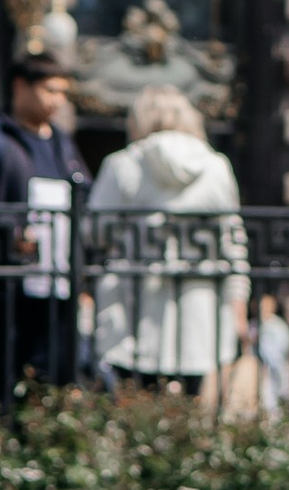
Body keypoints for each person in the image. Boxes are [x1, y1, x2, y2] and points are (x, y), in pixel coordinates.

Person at [86, 83, 247, 396]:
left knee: (134, 406)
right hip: (199, 316)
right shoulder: (216, 167)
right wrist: (237, 304)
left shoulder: (122, 165)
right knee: (189, 404)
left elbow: (95, 233)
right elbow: (232, 246)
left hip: (132, 315)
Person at [0, 58, 88, 396]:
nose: (58, 100)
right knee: (0, 376)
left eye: (63, 93)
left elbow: (84, 195)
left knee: (52, 377)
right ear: (20, 86)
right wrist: (12, 232)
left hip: (57, 282)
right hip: (7, 284)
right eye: (50, 90)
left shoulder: (62, 143)